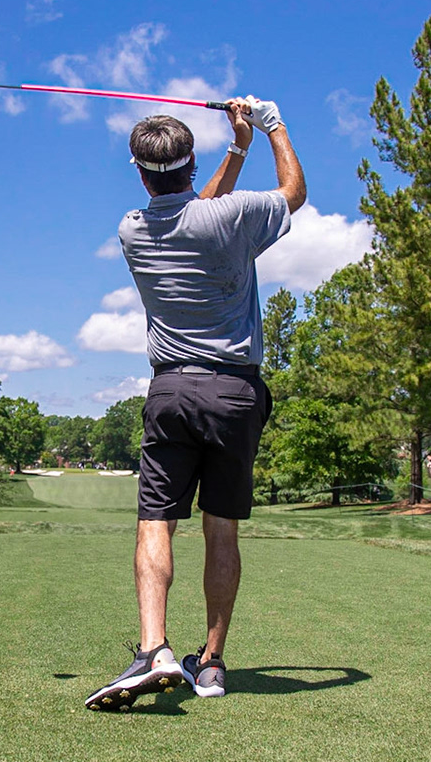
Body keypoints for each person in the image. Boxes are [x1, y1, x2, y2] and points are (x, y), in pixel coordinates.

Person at [85, 95, 304, 710]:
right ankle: (210, 664)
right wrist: (269, 126)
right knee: (221, 530)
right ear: (190, 161)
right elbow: (293, 191)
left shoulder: (131, 229)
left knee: (157, 521)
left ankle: (154, 648)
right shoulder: (229, 219)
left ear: (137, 170)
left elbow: (191, 212)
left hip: (171, 389)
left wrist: (236, 149)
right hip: (235, 391)